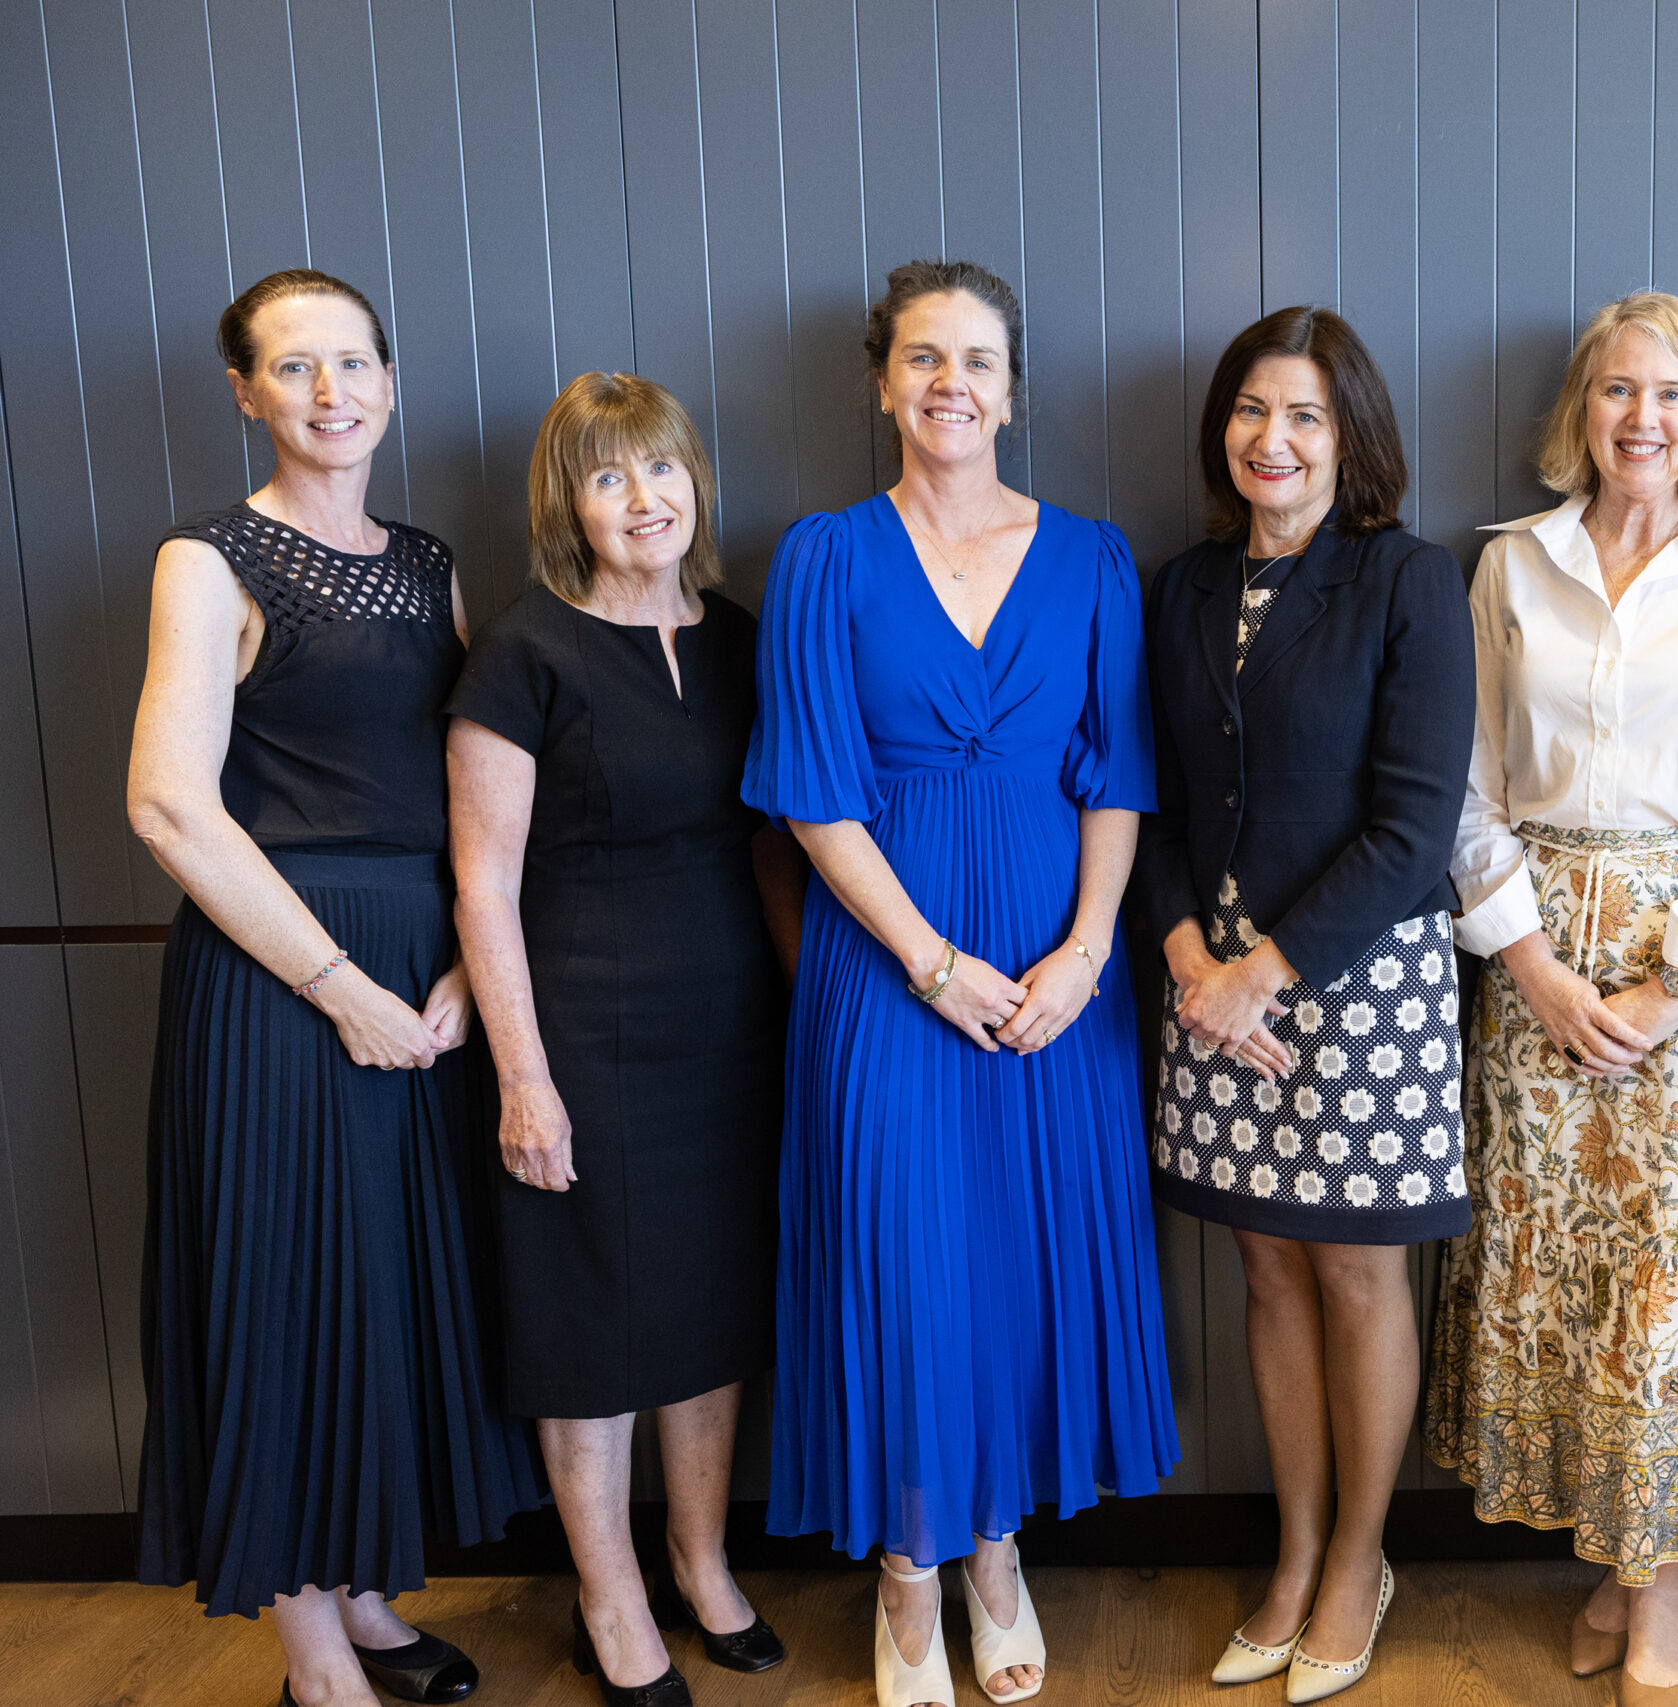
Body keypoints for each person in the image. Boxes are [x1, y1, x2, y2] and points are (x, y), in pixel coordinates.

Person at [744, 258, 1179, 1707]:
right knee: (899, 1267)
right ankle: (908, 1572)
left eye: (977, 359)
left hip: (1059, 982)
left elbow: (1117, 776)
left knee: (1014, 1271)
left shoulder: (1095, 558)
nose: (951, 383)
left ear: (1012, 390)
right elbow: (812, 793)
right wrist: (930, 965)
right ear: (884, 385)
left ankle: (998, 1553)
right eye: (924, 358)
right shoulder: (823, 556)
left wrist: (1089, 951)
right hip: (887, 975)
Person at [128, 269, 540, 1707]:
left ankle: (363, 1596)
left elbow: (472, 782)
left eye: (353, 361)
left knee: (380, 1297)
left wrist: (465, 963)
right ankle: (313, 1661)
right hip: (282, 981)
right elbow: (169, 808)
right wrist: (340, 986)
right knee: (287, 1302)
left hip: (425, 970)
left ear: (390, 380)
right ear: (246, 393)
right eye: (294, 367)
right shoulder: (208, 560)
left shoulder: (426, 563)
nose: (330, 391)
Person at [1429, 291, 1678, 1707]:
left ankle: (1664, 1591)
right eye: (1616, 390)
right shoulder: (1510, 564)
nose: (1641, 418)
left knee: (1671, 1278)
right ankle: (1615, 1559)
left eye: (1670, 393)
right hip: (1534, 967)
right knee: (1570, 1282)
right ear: (1580, 410)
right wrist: (1529, 963)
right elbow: (1467, 783)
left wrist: (1671, 986)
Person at [447, 373, 803, 1706]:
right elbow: (483, 884)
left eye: (660, 470)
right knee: (588, 1321)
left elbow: (778, 845)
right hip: (580, 1030)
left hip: (732, 1029)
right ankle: (608, 1595)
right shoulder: (525, 650)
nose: (644, 500)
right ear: (569, 503)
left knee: (713, 1307)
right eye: (609, 477)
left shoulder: (742, 640)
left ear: (694, 483)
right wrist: (523, 1080)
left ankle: (700, 1561)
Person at [1139, 307, 1474, 1703]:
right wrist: (1187, 961)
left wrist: (1254, 974)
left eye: (1304, 416)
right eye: (1250, 410)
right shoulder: (1181, 587)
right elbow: (1150, 796)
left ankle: (1357, 1561)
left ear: (1351, 438)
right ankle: (1290, 1555)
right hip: (1204, 983)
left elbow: (1414, 827)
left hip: (1357, 976)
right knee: (1266, 1268)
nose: (1270, 439)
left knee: (1352, 1270)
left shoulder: (1406, 579)